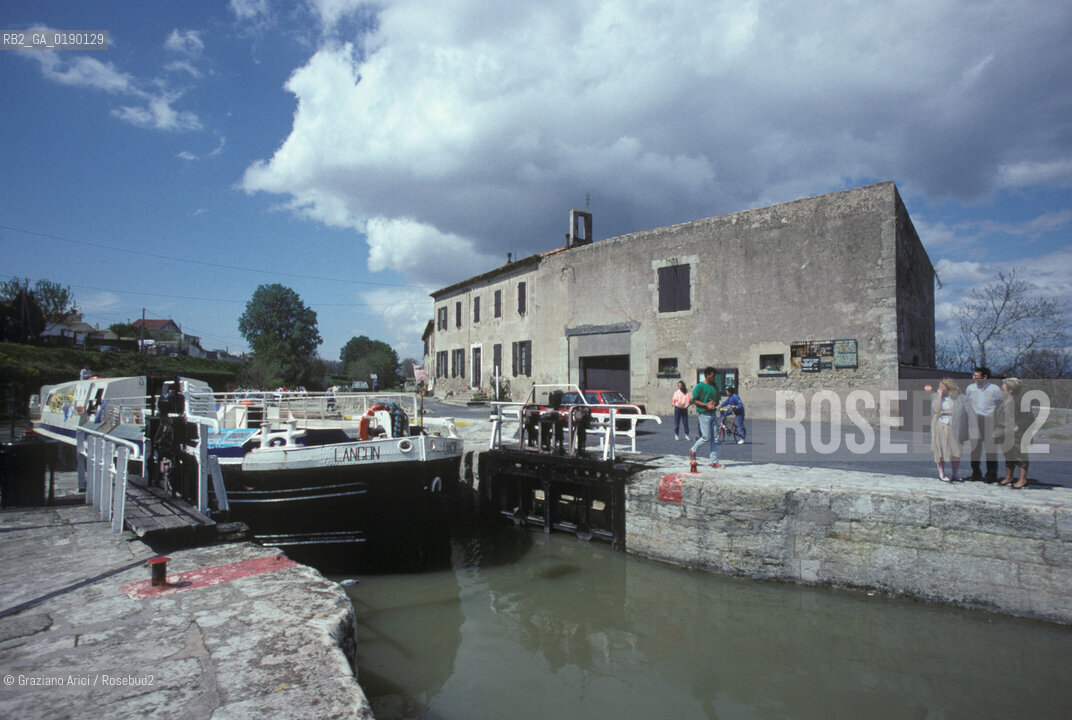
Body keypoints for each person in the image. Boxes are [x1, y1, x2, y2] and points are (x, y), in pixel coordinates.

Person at [965, 366, 1003, 482]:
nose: (974, 378)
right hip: (975, 420)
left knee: (990, 449)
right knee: (975, 449)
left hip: (989, 420)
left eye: (976, 376)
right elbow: (968, 404)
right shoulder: (970, 388)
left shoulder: (995, 389)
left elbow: (1000, 406)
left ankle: (991, 475)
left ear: (984, 377)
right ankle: (976, 473)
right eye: (973, 375)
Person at [930, 378, 968, 482]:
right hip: (941, 425)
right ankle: (941, 474)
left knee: (956, 451)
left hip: (955, 425)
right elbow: (936, 410)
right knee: (940, 450)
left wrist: (945, 412)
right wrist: (939, 396)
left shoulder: (958, 397)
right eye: (940, 386)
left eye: (942, 386)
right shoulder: (937, 397)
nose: (940, 388)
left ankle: (955, 474)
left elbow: (961, 410)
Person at [998, 377, 1031, 489]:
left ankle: (1022, 480)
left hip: (1019, 434)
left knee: (1020, 456)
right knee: (1009, 455)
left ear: (1010, 389)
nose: (1001, 388)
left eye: (1003, 387)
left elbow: (1029, 418)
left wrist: (1018, 426)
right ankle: (1009, 477)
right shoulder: (1005, 400)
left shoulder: (1021, 401)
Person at [689, 367, 721, 468]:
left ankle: (714, 461)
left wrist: (714, 404)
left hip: (713, 414)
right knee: (706, 437)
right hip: (704, 414)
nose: (714, 378)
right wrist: (705, 405)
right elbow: (694, 400)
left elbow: (717, 400)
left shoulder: (715, 386)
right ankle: (693, 450)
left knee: (715, 438)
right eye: (713, 376)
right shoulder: (700, 386)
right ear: (707, 375)